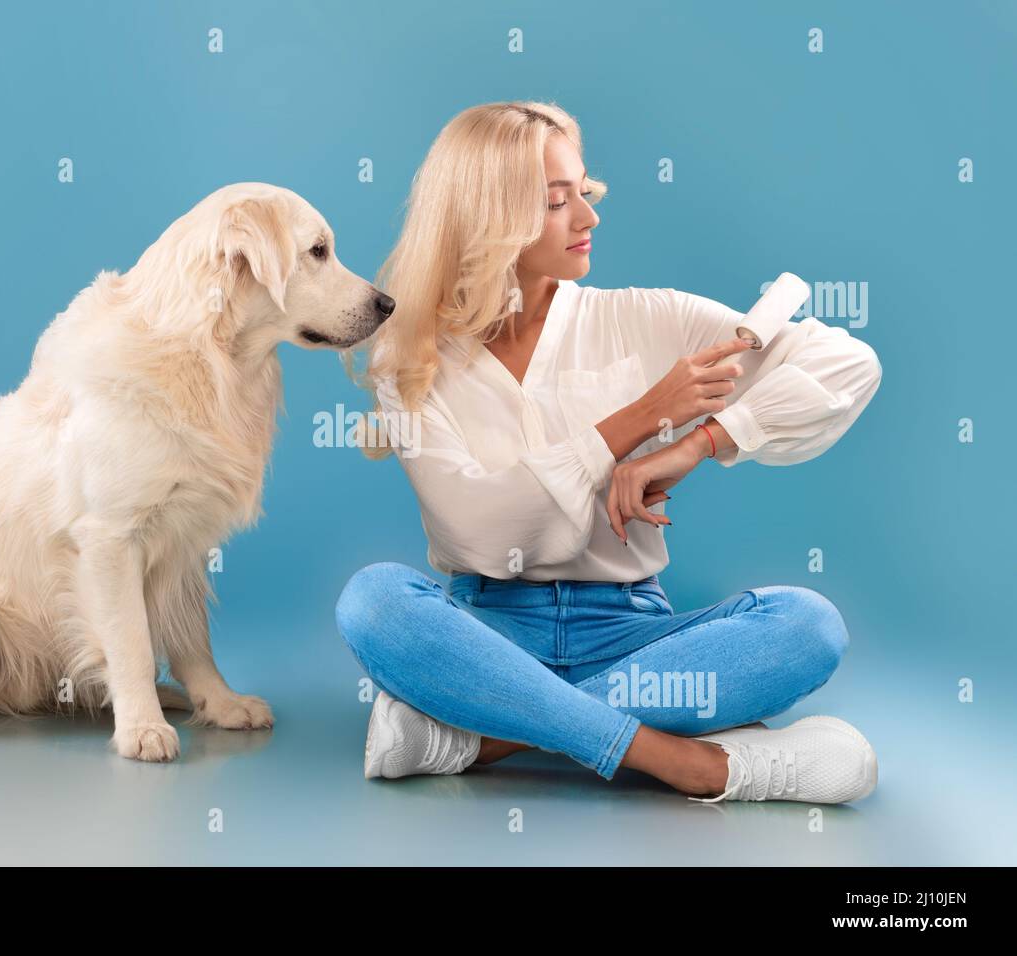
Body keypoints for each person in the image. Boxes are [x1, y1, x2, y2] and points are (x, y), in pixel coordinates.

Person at [335, 101, 883, 803]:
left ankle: (488, 735)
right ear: (484, 217)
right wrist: (644, 417)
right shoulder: (410, 358)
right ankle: (693, 764)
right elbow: (480, 530)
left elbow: (849, 365)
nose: (589, 218)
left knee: (807, 625)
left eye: (583, 192)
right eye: (557, 202)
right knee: (374, 601)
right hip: (489, 634)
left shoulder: (646, 317)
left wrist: (703, 442)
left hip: (637, 638)